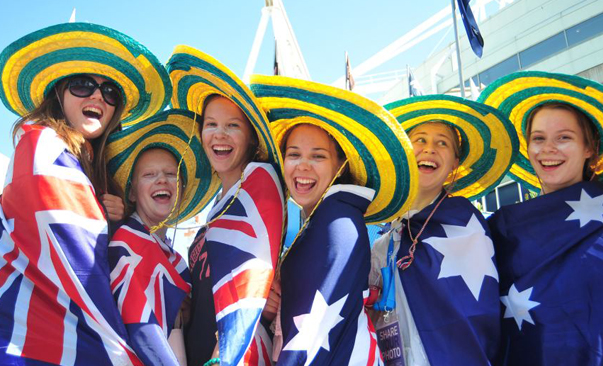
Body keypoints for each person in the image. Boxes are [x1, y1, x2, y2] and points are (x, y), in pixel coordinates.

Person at [0, 22, 170, 365]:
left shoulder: (90, 170)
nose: (97, 96)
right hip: (31, 344)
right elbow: (79, 261)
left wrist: (114, 219)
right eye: (83, 85)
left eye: (109, 93)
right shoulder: (42, 146)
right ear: (59, 93)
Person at [478, 71, 603, 365]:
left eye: (564, 138)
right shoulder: (499, 229)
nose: (548, 149)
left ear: (589, 148)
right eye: (539, 138)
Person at [250, 74, 419, 365]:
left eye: (318, 156)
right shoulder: (318, 221)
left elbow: (315, 331)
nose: (303, 165)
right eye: (294, 154)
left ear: (340, 165)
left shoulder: (337, 221)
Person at [367, 95, 519, 365]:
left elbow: (481, 315)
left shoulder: (469, 227)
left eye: (442, 143)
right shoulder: (382, 243)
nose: (430, 149)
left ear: (454, 164)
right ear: (402, 152)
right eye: (420, 140)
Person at [167, 45, 284, 366]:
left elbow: (243, 296)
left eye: (233, 125)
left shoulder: (260, 182)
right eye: (210, 123)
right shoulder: (218, 208)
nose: (219, 134)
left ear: (252, 137)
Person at [106, 109, 219, 365]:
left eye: (171, 174)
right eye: (149, 175)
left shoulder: (176, 258)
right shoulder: (126, 244)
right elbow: (141, 330)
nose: (162, 180)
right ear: (132, 194)